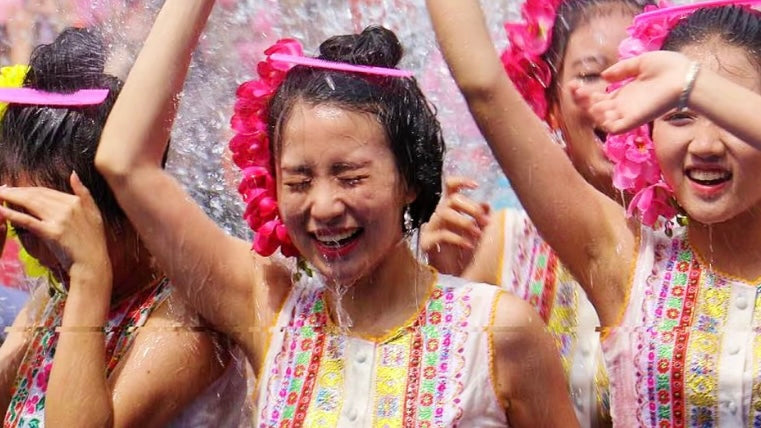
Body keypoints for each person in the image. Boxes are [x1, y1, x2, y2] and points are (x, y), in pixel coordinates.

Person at [94, 1, 576, 426]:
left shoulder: (498, 331)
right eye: (299, 182)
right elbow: (124, 161)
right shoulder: (269, 309)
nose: (323, 207)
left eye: (350, 177)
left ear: (409, 179)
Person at [428, 0, 761, 425]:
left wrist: (691, 82)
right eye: (678, 114)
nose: (706, 145)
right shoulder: (627, 264)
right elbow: (483, 86)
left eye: (729, 116)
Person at [421, 0, 653, 425]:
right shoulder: (498, 244)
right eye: (590, 74)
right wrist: (431, 285)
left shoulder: (705, 240)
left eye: (635, 71)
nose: (614, 94)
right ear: (549, 105)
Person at [0, 27, 247, 427]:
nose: (44, 255)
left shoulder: (186, 321)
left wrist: (89, 273)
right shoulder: (57, 290)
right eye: (26, 229)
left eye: (61, 232)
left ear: (130, 208)